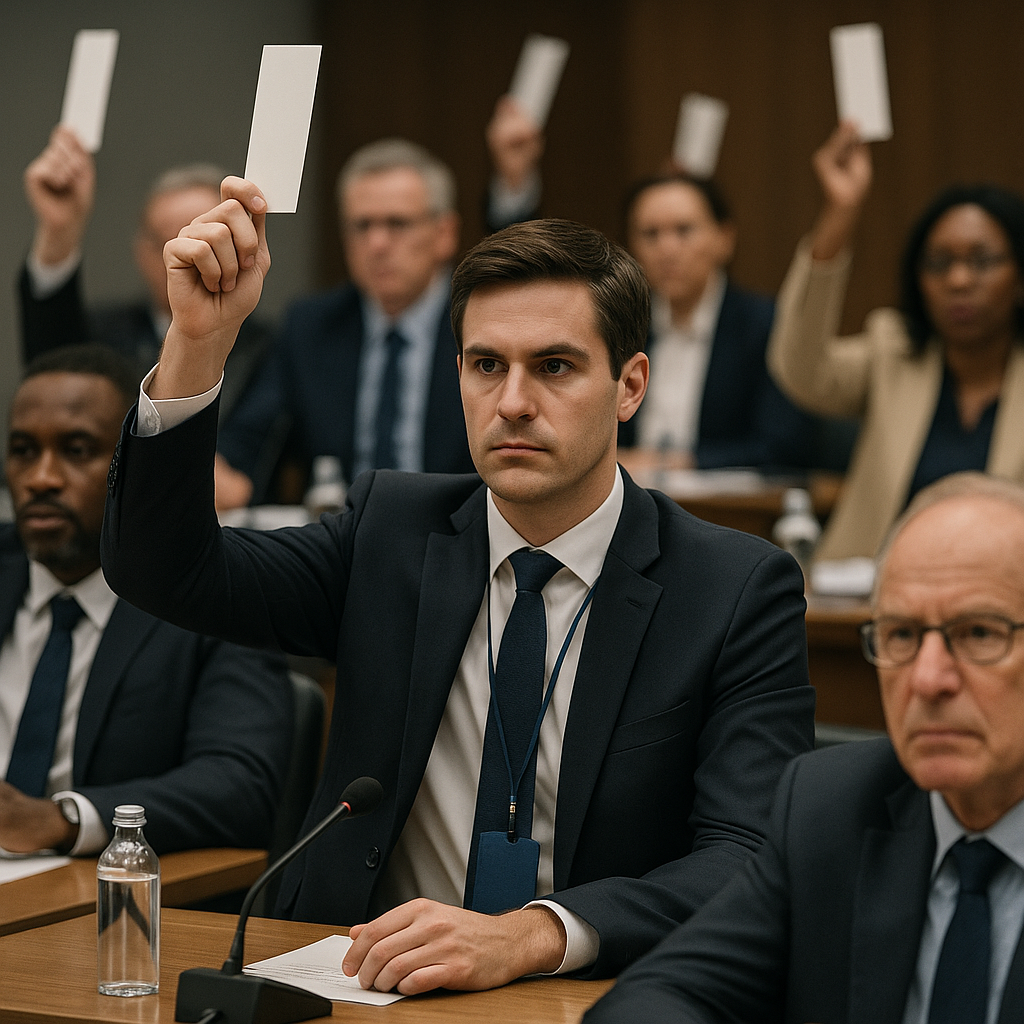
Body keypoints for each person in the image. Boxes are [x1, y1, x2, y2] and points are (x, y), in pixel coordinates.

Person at [99, 179, 815, 994]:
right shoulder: (390, 532)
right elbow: (166, 572)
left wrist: (535, 935)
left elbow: (749, 852)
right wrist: (198, 342)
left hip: (587, 992)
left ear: (630, 386)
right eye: (486, 365)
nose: (513, 402)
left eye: (554, 366)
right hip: (357, 980)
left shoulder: (732, 588)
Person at [585, 471, 1024, 1024]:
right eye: (902, 636)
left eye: (979, 634)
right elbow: (657, 997)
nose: (928, 679)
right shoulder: (832, 808)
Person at [1, 345, 293, 856]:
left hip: (109, 893)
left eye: (76, 450)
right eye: (24, 451)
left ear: (130, 467)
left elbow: (240, 786)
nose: (40, 478)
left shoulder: (213, 597)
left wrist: (64, 819)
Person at [217, 115, 541, 507]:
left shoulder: (484, 322)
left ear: (444, 235)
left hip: (468, 534)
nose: (377, 244)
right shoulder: (313, 325)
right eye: (362, 226)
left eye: (397, 224)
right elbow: (248, 443)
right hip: (343, 542)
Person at [769, 121, 1024, 561]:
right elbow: (801, 370)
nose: (959, 280)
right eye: (940, 263)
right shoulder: (894, 352)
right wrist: (840, 214)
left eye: (982, 261)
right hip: (873, 592)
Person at [18, 125, 274, 434]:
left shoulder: (270, 348)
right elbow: (51, 375)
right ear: (143, 252)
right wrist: (58, 234)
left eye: (212, 240)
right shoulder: (105, 337)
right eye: (174, 240)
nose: (193, 256)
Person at [616, 171, 817, 471]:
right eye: (650, 234)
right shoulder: (620, 327)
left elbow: (784, 447)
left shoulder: (767, 325)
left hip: (731, 507)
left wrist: (675, 463)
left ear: (724, 238)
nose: (667, 250)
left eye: (683, 231)